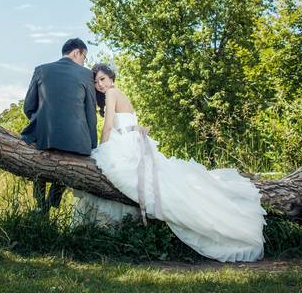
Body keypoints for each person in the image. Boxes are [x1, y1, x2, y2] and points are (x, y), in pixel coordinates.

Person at [72, 63, 266, 262]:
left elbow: (108, 128)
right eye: (96, 82)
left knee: (111, 168)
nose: (100, 85)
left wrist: (103, 147)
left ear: (111, 78)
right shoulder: (119, 93)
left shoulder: (113, 93)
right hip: (129, 143)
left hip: (124, 145)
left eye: (102, 79)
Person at [20, 37, 98, 210]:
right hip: (76, 141)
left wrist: (44, 121)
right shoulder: (86, 75)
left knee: (41, 155)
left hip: (45, 137)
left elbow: (28, 107)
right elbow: (90, 113)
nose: (84, 62)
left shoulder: (41, 70)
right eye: (84, 57)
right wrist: (93, 144)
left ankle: (40, 205)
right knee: (67, 159)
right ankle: (53, 202)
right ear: (77, 52)